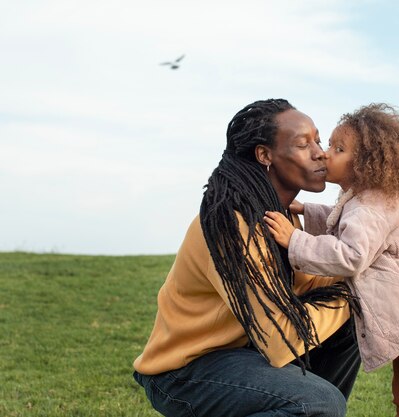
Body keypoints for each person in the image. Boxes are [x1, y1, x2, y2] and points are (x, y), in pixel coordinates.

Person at [133, 99, 362, 417]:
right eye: (303, 143)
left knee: (351, 329)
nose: (320, 152)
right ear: (265, 155)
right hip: (185, 371)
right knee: (318, 403)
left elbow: (312, 285)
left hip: (244, 355)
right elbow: (279, 342)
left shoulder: (281, 217)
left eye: (318, 141)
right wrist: (353, 292)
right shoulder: (232, 223)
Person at [264, 103, 399, 417]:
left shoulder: (370, 205)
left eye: (338, 149)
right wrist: (306, 210)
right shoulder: (365, 199)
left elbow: (351, 255)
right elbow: (349, 225)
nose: (325, 153)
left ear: (365, 163)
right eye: (330, 145)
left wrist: (294, 239)